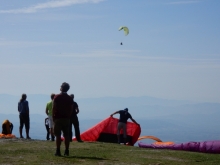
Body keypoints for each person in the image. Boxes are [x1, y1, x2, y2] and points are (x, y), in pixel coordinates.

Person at [52, 82, 73, 156]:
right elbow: (71, 109)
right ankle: (67, 151)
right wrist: (68, 116)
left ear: (62, 88)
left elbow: (54, 107)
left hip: (58, 117)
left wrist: (53, 117)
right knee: (66, 135)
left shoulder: (57, 97)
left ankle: (58, 151)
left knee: (58, 135)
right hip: (66, 118)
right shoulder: (70, 98)